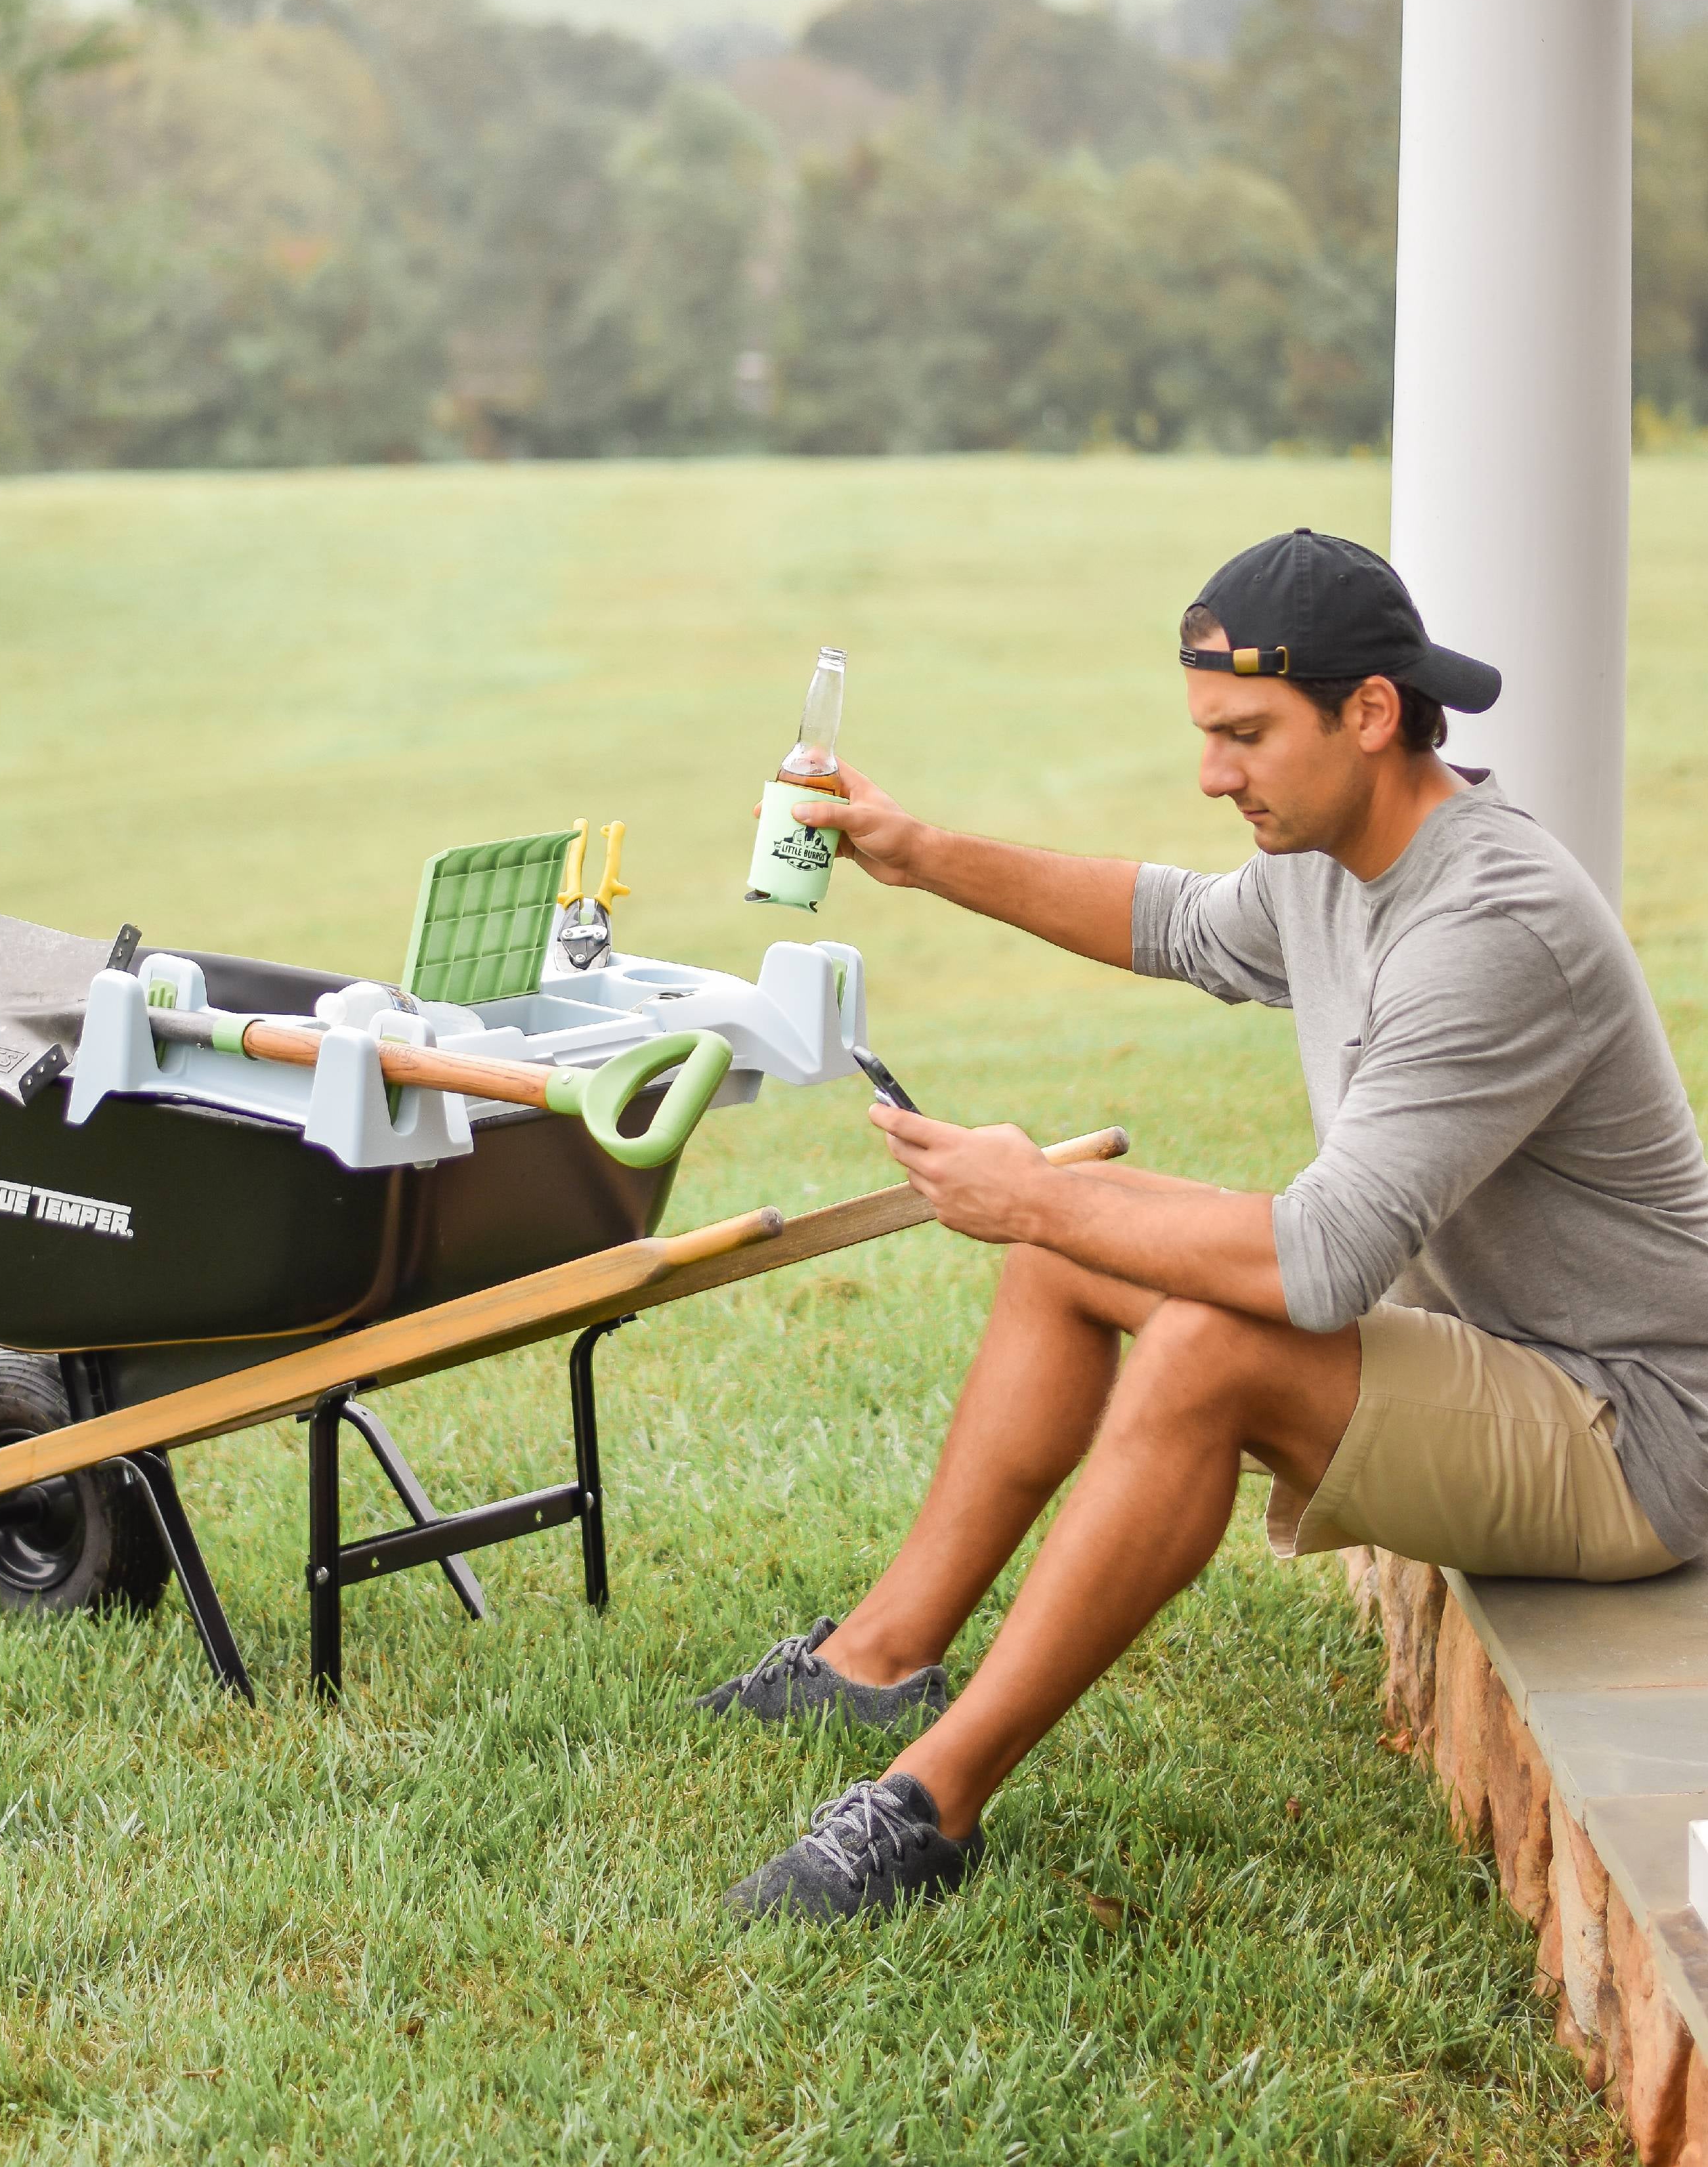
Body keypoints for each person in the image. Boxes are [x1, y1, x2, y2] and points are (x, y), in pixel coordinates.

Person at [704, 528, 1708, 1925]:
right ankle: (876, 1662)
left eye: (1244, 735)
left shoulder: (1492, 924)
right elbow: (1172, 923)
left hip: (1631, 1431)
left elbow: (1320, 1264)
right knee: (1073, 1252)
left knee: (1197, 1347)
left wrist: (1033, 1189)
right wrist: (922, 853)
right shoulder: (1332, 852)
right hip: (1484, 1351)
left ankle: (927, 1813)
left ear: (1369, 715)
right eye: (1206, 734)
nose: (1211, 774)